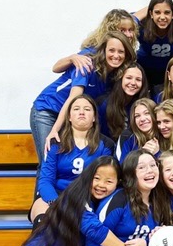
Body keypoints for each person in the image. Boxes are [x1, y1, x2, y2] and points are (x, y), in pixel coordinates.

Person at [30, 31, 135, 189]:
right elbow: (72, 99)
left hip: (72, 115)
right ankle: (41, 208)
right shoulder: (87, 64)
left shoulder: (114, 76)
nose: (116, 55)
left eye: (121, 52)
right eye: (111, 50)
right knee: (46, 161)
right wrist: (55, 130)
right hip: (48, 110)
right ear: (103, 51)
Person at [30, 95, 115, 225]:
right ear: (69, 117)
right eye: (76, 109)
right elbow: (46, 180)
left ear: (94, 118)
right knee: (44, 219)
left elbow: (105, 180)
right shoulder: (55, 142)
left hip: (85, 197)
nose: (81, 112)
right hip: (56, 195)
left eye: (87, 109)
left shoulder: (105, 145)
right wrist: (56, 203)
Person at [52, 9, 138, 76]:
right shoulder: (93, 52)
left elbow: (141, 14)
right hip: (57, 97)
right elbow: (55, 68)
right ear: (111, 31)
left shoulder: (124, 54)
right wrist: (72, 58)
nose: (128, 35)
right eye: (122, 30)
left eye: (131, 30)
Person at [133, 0, 173, 92]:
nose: (162, 17)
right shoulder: (142, 27)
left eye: (167, 12)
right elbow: (123, 21)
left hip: (166, 74)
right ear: (150, 14)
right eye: (157, 12)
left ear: (172, 15)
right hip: (143, 71)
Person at [97, 63, 149, 141]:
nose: (133, 83)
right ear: (120, 79)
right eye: (129, 78)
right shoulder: (104, 104)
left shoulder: (144, 105)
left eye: (138, 79)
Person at [116, 98, 159, 163]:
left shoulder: (164, 134)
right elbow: (121, 167)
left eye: (147, 113)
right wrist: (143, 153)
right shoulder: (126, 136)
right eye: (137, 116)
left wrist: (157, 153)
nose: (142, 119)